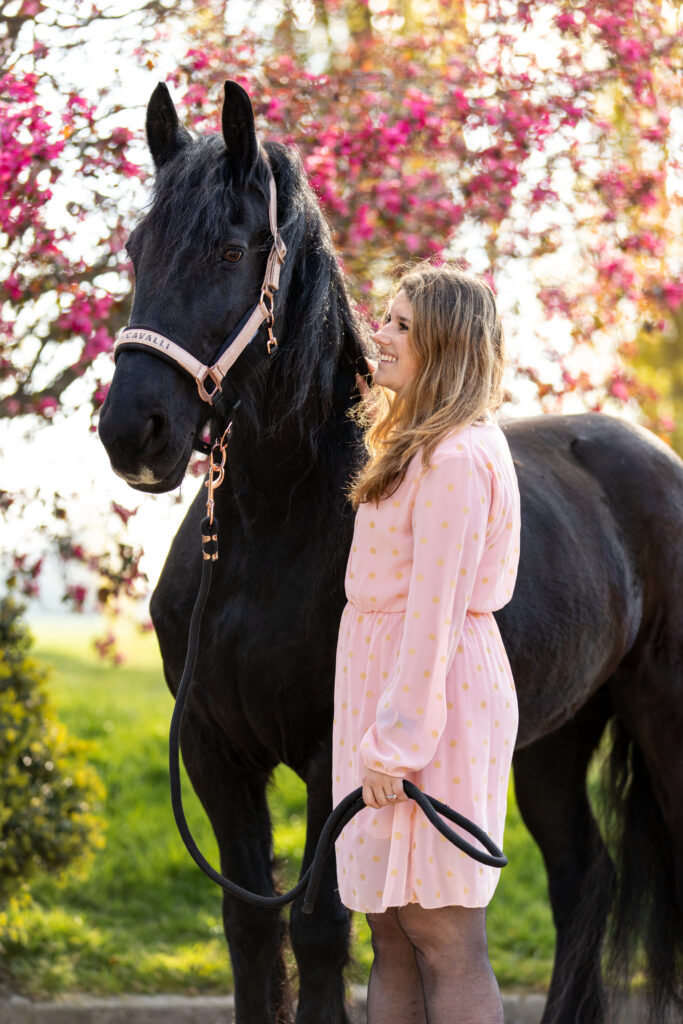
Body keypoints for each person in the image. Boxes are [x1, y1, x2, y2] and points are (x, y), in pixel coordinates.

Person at [333, 263, 521, 1023]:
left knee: (442, 935)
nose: (380, 332)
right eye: (386, 316)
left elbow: (434, 616)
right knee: (391, 933)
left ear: (445, 346)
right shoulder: (414, 449)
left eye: (403, 324)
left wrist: (396, 743)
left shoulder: (453, 460)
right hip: (386, 696)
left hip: (426, 708)